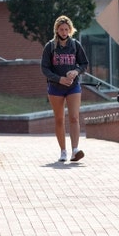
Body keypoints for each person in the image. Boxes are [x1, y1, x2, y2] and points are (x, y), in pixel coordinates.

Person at [40, 15, 90, 162]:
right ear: (56, 30)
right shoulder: (50, 47)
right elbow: (45, 69)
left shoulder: (75, 45)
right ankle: (63, 151)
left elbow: (84, 64)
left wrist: (76, 71)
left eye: (66, 29)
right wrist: (59, 78)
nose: (64, 32)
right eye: (61, 29)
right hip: (55, 88)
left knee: (74, 117)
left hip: (73, 87)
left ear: (70, 30)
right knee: (59, 119)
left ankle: (75, 150)